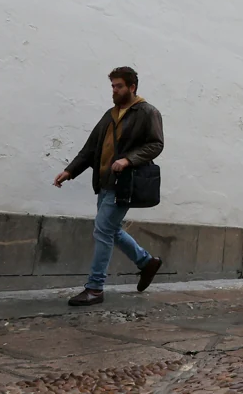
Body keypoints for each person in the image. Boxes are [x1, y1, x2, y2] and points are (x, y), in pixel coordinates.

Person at [54, 66, 164, 306]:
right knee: (110, 229)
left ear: (132, 87)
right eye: (112, 86)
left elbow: (156, 145)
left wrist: (128, 160)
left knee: (102, 230)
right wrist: (70, 171)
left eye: (119, 86)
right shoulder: (110, 114)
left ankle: (95, 288)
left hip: (125, 183)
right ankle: (146, 262)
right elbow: (91, 148)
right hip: (104, 182)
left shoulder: (147, 112)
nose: (114, 90)